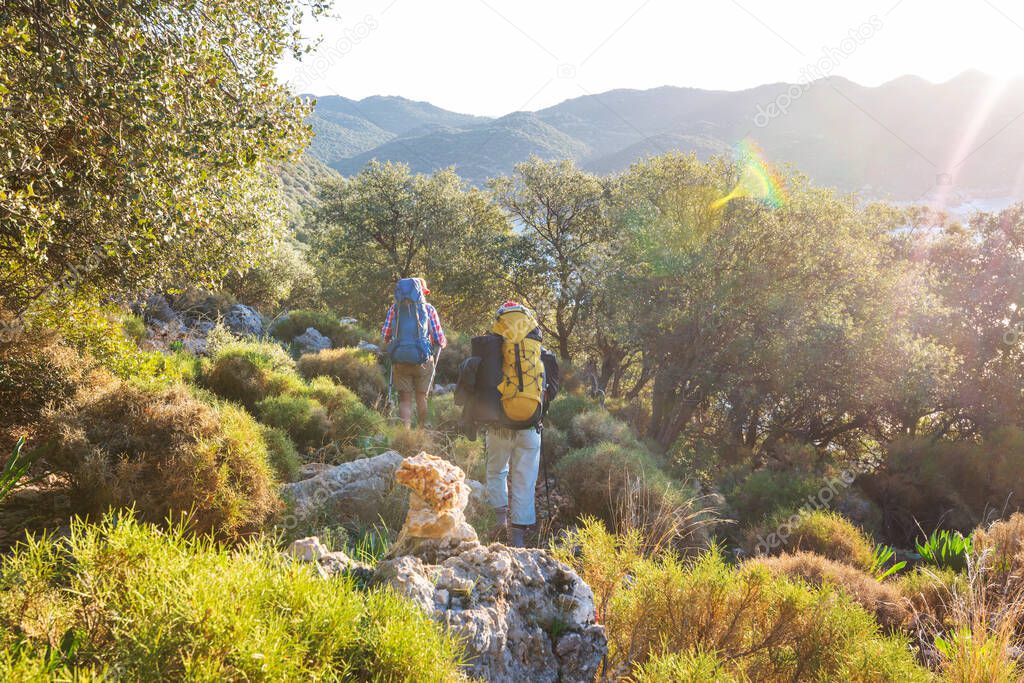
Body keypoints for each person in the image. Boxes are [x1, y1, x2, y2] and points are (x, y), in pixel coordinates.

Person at [483, 300, 559, 548]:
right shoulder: (542, 355)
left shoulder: (493, 349)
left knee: (497, 472)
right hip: (530, 427)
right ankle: (517, 539)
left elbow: (482, 386)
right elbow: (552, 391)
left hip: (499, 426)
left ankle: (499, 522)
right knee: (525, 481)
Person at [381, 277, 447, 428]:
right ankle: (423, 431)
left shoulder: (394, 308)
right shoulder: (429, 309)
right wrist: (443, 342)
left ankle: (405, 434)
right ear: (421, 291)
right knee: (421, 397)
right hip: (423, 359)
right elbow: (439, 338)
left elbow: (385, 335)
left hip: (400, 359)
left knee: (404, 399)